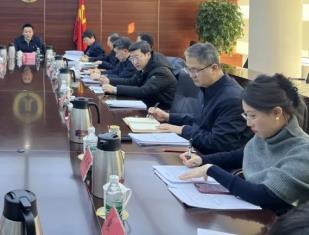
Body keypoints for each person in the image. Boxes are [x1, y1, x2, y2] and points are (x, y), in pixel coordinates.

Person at [179, 74, 309, 214]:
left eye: (253, 115)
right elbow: (243, 154)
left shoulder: (303, 152)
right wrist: (202, 160)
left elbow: (265, 195)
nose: (248, 123)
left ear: (276, 112)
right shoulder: (268, 133)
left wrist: (212, 170)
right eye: (246, 115)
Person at [148, 43, 251, 154]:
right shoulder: (208, 86)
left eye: (195, 70)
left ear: (214, 68)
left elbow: (218, 142)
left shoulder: (231, 98)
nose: (191, 75)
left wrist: (182, 130)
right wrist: (168, 117)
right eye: (188, 69)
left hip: (213, 159)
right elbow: (202, 120)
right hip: (197, 153)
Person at [101, 41, 176, 109]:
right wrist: (109, 80)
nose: (134, 62)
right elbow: (132, 81)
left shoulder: (161, 71)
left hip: (161, 110)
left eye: (137, 57)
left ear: (148, 54)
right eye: (132, 59)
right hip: (148, 104)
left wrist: (115, 89)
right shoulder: (145, 65)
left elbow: (144, 91)